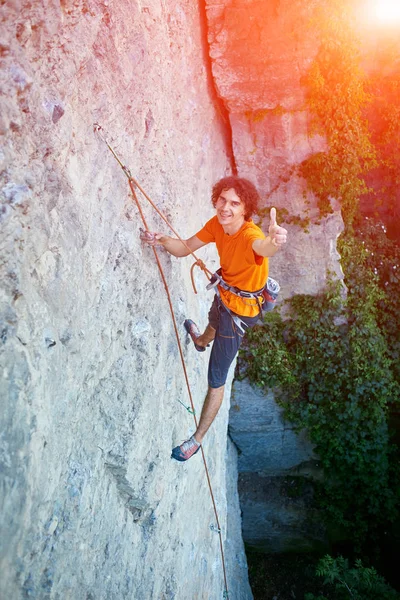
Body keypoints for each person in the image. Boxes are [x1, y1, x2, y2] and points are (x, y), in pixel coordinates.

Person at [140, 176, 288, 461]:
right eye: (222, 200)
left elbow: (263, 248)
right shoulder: (216, 225)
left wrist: (274, 241)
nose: (226, 208)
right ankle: (199, 340)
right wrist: (160, 239)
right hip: (225, 295)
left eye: (235, 203)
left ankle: (196, 440)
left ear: (246, 210)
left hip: (240, 315)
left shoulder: (250, 236)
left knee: (215, 379)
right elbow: (184, 248)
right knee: (213, 319)